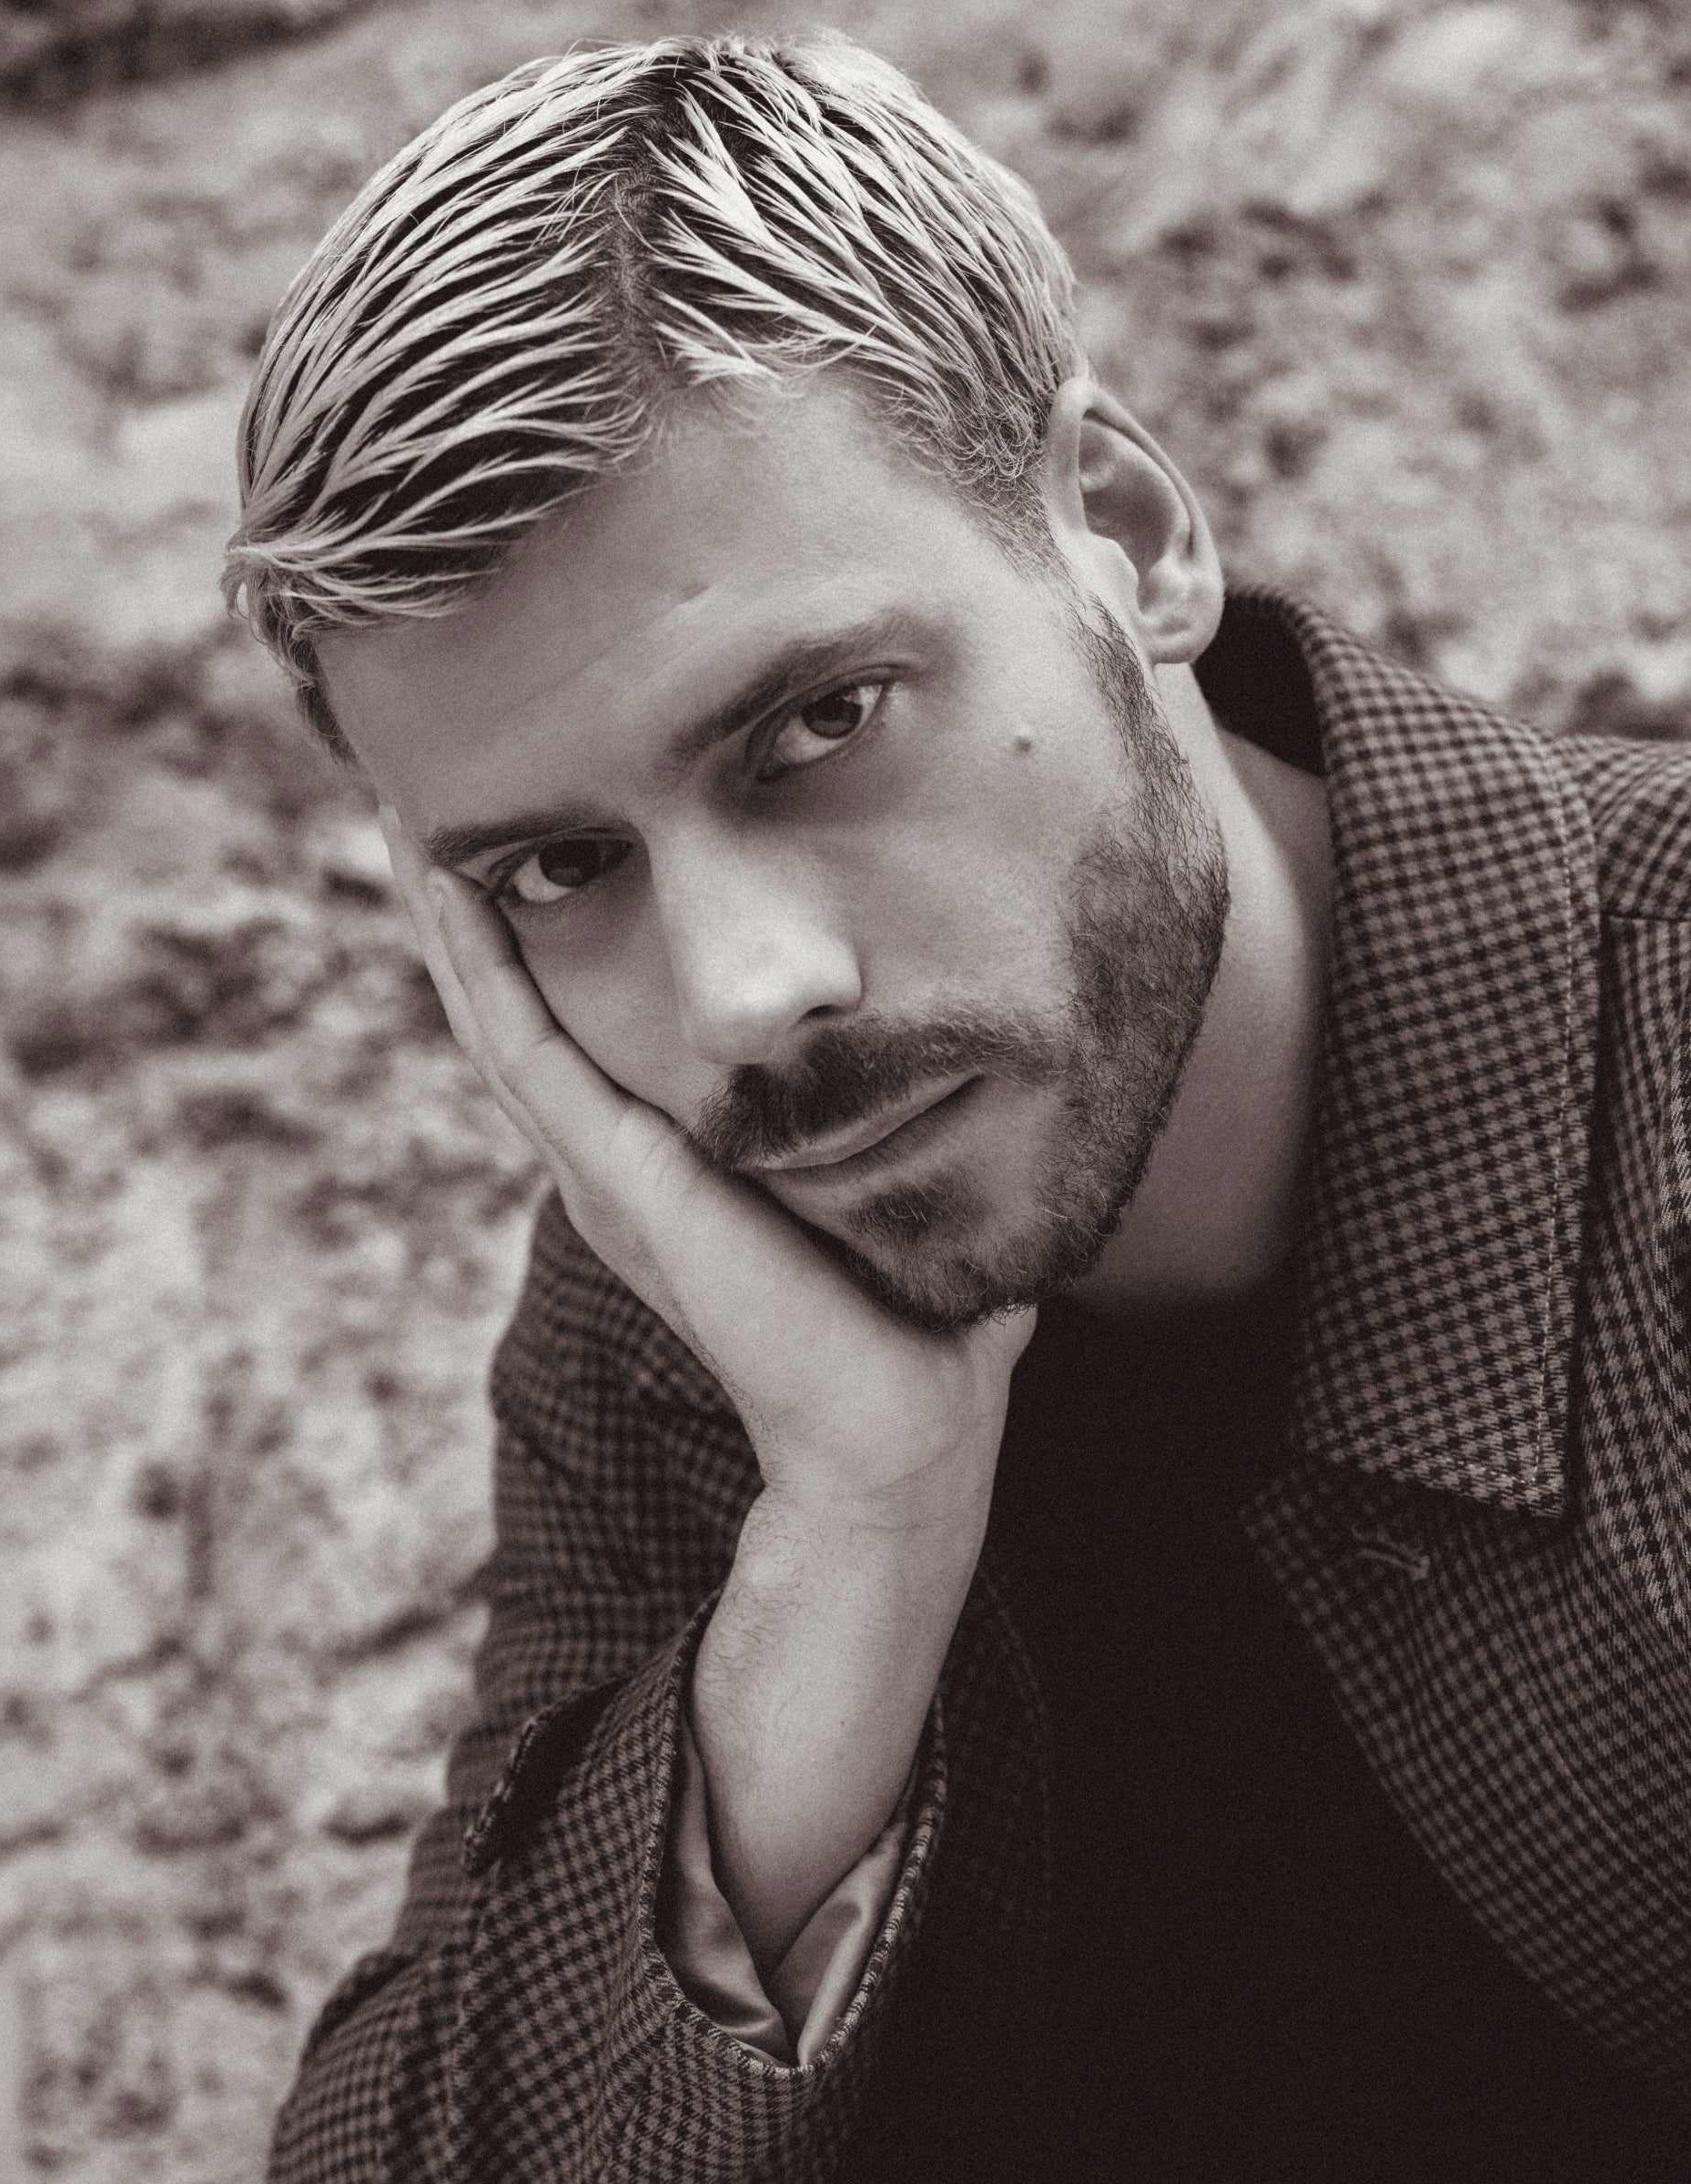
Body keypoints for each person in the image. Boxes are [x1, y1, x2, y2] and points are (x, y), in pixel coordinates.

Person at [223, 32, 1691, 2181]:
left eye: (822, 723)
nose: (747, 996)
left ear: (1129, 538)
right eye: (556, 868)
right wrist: (854, 1532)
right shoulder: (688, 1326)